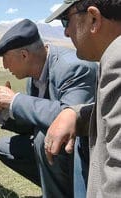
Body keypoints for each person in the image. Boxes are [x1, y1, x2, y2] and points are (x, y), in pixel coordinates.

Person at [0, 19, 97, 198]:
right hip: (60, 152)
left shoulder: (73, 67)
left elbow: (72, 115)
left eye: (6, 59)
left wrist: (16, 100)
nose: (5, 66)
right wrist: (8, 110)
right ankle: (58, 189)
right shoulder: (34, 74)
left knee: (43, 137)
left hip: (85, 153)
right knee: (5, 147)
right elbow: (34, 121)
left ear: (24, 55)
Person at [44, 0, 121, 197]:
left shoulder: (117, 60)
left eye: (65, 21)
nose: (66, 33)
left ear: (93, 19)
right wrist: (75, 113)